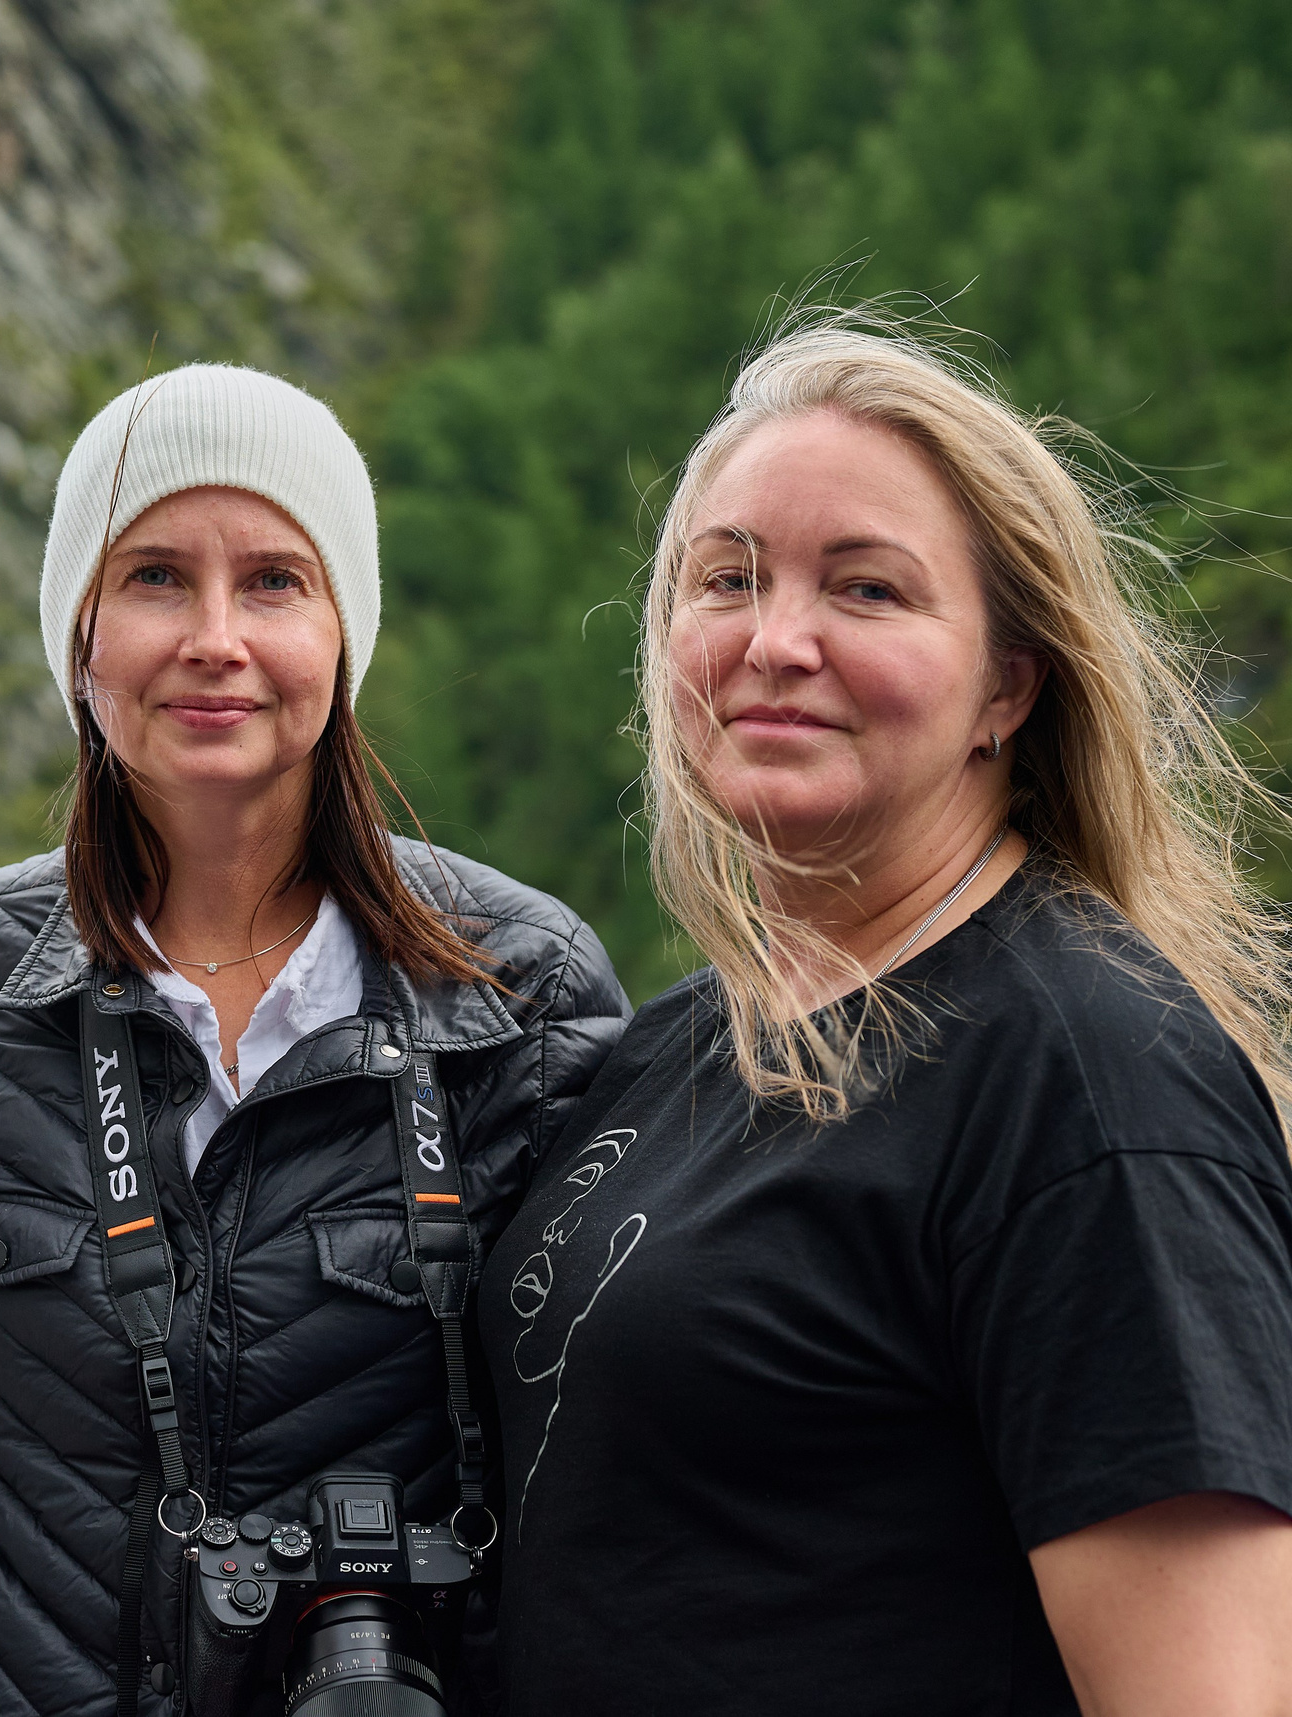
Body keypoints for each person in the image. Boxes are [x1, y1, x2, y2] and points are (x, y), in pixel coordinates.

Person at [481, 317, 1292, 1717]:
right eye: (726, 577)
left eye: (864, 589)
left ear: (1005, 687)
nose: (775, 640)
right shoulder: (676, 1048)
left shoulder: (1091, 1075)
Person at [0, 364, 631, 1715]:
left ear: (344, 634)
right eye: (156, 576)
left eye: (277, 580)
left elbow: (609, 1460)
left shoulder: (520, 983)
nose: (216, 636)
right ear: (80, 636)